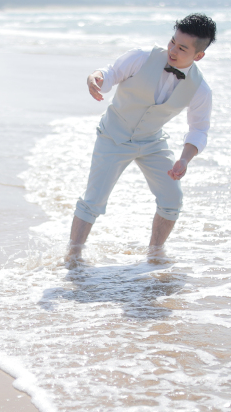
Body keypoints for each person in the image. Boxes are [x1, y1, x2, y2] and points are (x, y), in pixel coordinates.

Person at [68, 13, 216, 261]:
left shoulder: (200, 89)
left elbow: (199, 129)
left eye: (182, 48)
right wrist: (95, 77)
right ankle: (72, 258)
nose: (173, 50)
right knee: (93, 200)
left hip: (152, 141)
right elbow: (111, 73)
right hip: (113, 136)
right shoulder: (142, 56)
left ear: (198, 55)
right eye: (172, 42)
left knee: (173, 198)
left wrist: (184, 159)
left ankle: (154, 256)